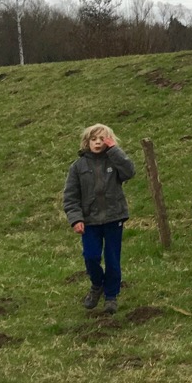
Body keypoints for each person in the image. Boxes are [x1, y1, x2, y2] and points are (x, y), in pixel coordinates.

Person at [62, 123, 135, 316]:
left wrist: (114, 150)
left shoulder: (114, 161)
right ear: (86, 142)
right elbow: (70, 196)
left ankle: (111, 296)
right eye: (93, 139)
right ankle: (97, 285)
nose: (97, 142)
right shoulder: (77, 167)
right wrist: (76, 219)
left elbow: (130, 172)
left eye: (102, 139)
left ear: (109, 141)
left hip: (114, 218)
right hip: (89, 222)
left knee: (112, 259)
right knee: (91, 256)